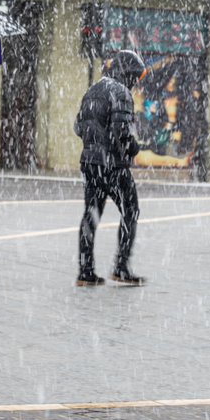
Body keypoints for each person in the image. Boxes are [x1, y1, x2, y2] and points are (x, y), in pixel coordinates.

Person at [73, 49, 146, 286]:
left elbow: (78, 126)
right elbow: (121, 133)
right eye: (135, 77)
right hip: (113, 165)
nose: (135, 83)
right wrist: (134, 148)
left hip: (91, 163)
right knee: (131, 210)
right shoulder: (121, 92)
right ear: (127, 73)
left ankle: (85, 271)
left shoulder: (92, 90)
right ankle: (121, 266)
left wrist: (93, 142)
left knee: (91, 215)